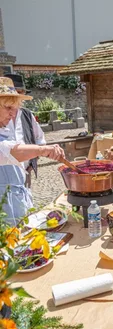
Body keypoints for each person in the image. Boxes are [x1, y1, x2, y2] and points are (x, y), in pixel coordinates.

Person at [0, 77, 64, 225]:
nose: (12, 114)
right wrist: (43, 150)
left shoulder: (25, 116)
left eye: (14, 108)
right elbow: (9, 151)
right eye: (8, 108)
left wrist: (32, 162)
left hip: (17, 194)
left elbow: (37, 139)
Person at [3, 73, 46, 188]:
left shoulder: (26, 114)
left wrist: (34, 157)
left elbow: (39, 137)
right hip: (4, 172)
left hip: (25, 169)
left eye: (21, 93)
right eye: (17, 93)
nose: (19, 97)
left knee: (24, 199)